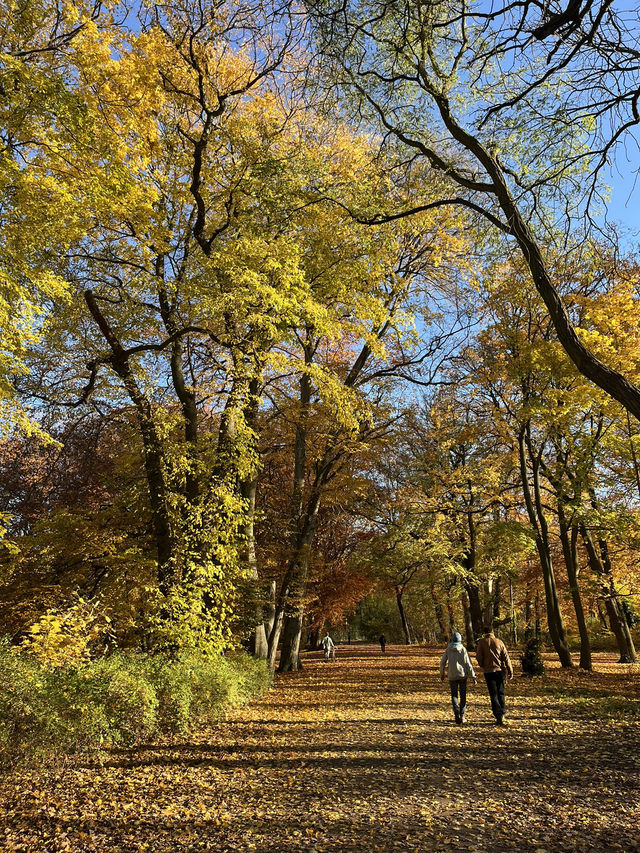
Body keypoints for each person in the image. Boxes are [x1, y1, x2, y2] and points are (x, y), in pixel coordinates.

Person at [476, 625, 514, 725]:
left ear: (484, 633)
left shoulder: (481, 642)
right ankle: (503, 713)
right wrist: (510, 670)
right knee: (501, 692)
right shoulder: (499, 642)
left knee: (493, 694)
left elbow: (479, 657)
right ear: (492, 632)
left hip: (488, 671)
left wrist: (482, 665)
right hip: (500, 670)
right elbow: (506, 657)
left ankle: (498, 715)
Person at [439, 632, 477, 725]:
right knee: (463, 695)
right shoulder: (463, 649)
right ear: (460, 640)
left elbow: (442, 662)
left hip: (452, 675)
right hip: (462, 675)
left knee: (454, 694)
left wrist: (442, 673)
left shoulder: (448, 649)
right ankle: (462, 715)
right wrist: (473, 676)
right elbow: (468, 663)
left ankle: (456, 710)